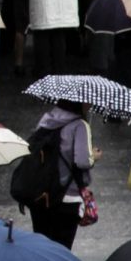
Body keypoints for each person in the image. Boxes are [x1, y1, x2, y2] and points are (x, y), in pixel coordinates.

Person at [28, 99, 96, 248]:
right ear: (78, 103)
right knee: (62, 250)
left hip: (42, 195)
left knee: (42, 248)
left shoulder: (47, 119)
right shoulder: (80, 125)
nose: (90, 104)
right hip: (67, 197)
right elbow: (82, 161)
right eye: (87, 101)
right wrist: (93, 156)